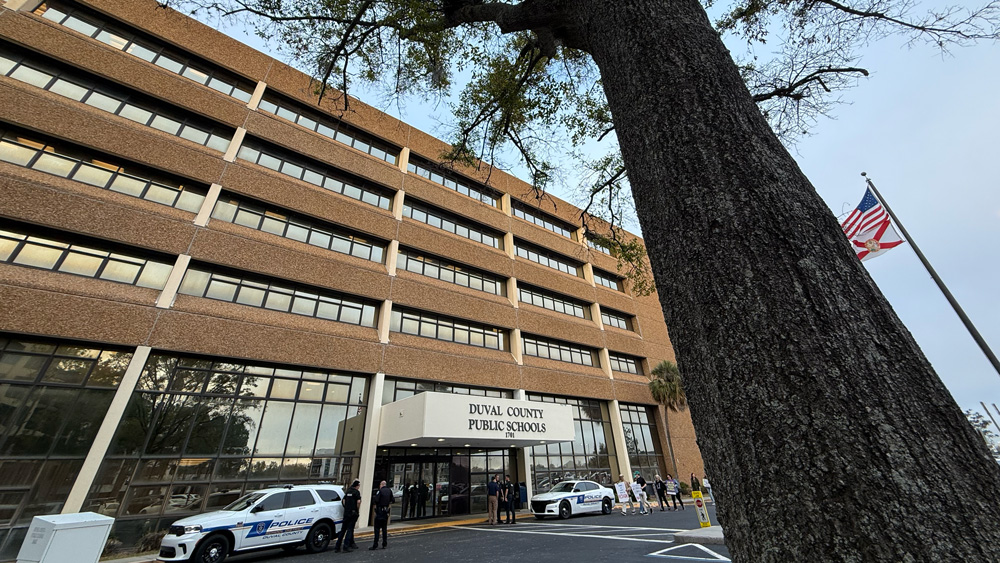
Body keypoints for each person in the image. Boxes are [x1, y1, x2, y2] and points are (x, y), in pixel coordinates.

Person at [334, 479, 361, 552]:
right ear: (357, 486)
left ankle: (337, 546)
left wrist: (346, 507)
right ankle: (346, 546)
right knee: (350, 529)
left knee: (343, 530)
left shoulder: (348, 491)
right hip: (353, 512)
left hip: (346, 512)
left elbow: (343, 501)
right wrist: (357, 509)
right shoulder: (356, 492)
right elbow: (358, 502)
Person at [370, 480, 393, 550]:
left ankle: (375, 544)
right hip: (385, 512)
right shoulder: (389, 491)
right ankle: (384, 544)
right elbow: (393, 500)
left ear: (381, 485)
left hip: (379, 511)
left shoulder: (380, 491)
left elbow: (376, 500)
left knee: (377, 529)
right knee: (384, 529)